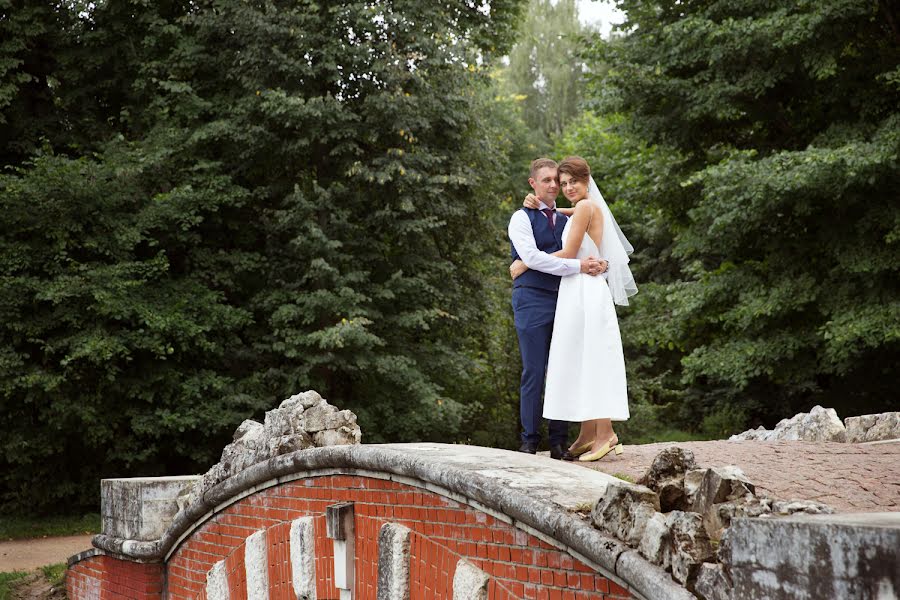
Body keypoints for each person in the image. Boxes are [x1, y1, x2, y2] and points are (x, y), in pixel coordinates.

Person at [512, 156, 637, 461]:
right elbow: (568, 219)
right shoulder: (534, 215)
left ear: (585, 181)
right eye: (556, 181)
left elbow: (571, 249)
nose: (561, 186)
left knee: (582, 359)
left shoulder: (580, 210)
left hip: (577, 291)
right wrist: (540, 207)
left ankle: (588, 436)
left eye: (568, 182)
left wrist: (525, 262)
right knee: (555, 365)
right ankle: (557, 437)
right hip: (554, 294)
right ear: (534, 184)